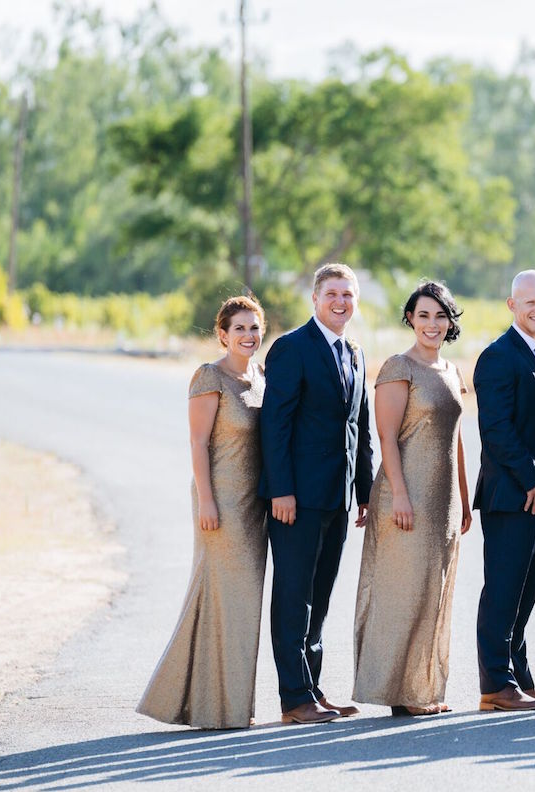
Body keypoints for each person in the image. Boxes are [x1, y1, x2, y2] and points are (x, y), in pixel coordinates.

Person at [139, 296, 267, 729]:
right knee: (219, 594)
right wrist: (207, 500)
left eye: (255, 327)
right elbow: (197, 443)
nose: (249, 335)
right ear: (223, 335)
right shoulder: (210, 377)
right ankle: (210, 705)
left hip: (256, 504)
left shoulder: (261, 376)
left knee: (244, 601)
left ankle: (229, 703)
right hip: (222, 499)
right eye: (240, 329)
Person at [261, 263, 373, 725]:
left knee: (321, 596)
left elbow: (360, 428)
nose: (340, 302)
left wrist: (364, 490)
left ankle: (315, 689)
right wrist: (281, 491)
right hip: (297, 499)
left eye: (348, 294)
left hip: (339, 498)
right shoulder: (291, 349)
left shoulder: (356, 352)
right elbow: (275, 425)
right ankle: (293, 697)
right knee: (293, 595)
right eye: (332, 293)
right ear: (315, 298)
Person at [353, 281, 472, 716]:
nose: (432, 324)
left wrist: (463, 495)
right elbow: (386, 437)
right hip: (404, 496)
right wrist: (399, 495)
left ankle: (421, 690)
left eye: (440, 316)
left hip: (444, 501)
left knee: (433, 593)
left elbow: (455, 439)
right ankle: (396, 692)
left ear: (450, 321)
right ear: (410, 319)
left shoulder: (453, 371)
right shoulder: (398, 367)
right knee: (402, 592)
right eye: (423, 315)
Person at [472, 270, 535, 712]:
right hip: (511, 495)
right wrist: (532, 476)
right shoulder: (497, 356)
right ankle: (495, 684)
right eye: (530, 302)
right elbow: (495, 428)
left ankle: (520, 678)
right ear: (512, 305)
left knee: (527, 592)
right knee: (503, 590)